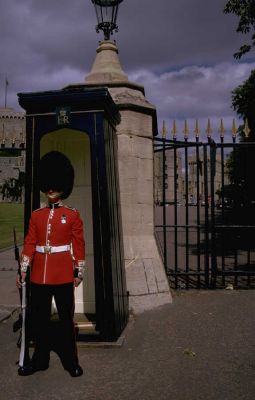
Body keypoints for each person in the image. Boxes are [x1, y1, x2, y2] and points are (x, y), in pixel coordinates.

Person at [16, 151, 85, 377]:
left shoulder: (72, 215)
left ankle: (71, 361)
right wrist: (23, 270)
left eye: (56, 184)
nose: (51, 189)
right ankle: (39, 360)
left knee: (66, 321)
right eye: (49, 184)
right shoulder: (37, 215)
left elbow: (79, 245)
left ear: (64, 185)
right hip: (38, 276)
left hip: (63, 275)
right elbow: (30, 244)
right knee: (39, 321)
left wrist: (79, 271)